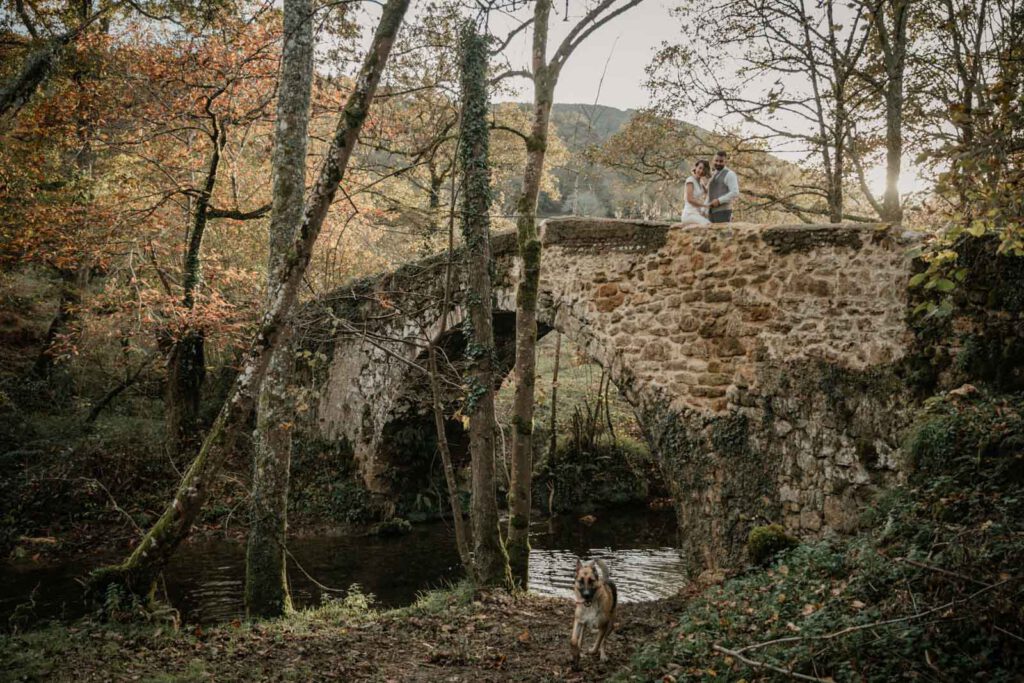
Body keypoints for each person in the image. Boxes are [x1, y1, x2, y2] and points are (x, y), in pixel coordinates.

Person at [707, 150, 740, 223]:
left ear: (726, 162)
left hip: (723, 213)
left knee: (724, 234)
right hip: (711, 213)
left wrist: (719, 201)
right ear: (713, 160)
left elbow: (735, 192)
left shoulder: (730, 174)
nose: (718, 163)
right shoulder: (713, 174)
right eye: (716, 160)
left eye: (721, 161)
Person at [680, 159, 711, 225]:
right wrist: (704, 206)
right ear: (696, 167)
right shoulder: (690, 180)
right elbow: (690, 199)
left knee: (711, 222)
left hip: (697, 213)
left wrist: (711, 177)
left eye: (704, 170)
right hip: (689, 214)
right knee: (708, 224)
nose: (701, 171)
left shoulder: (701, 183)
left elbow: (708, 193)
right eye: (700, 168)